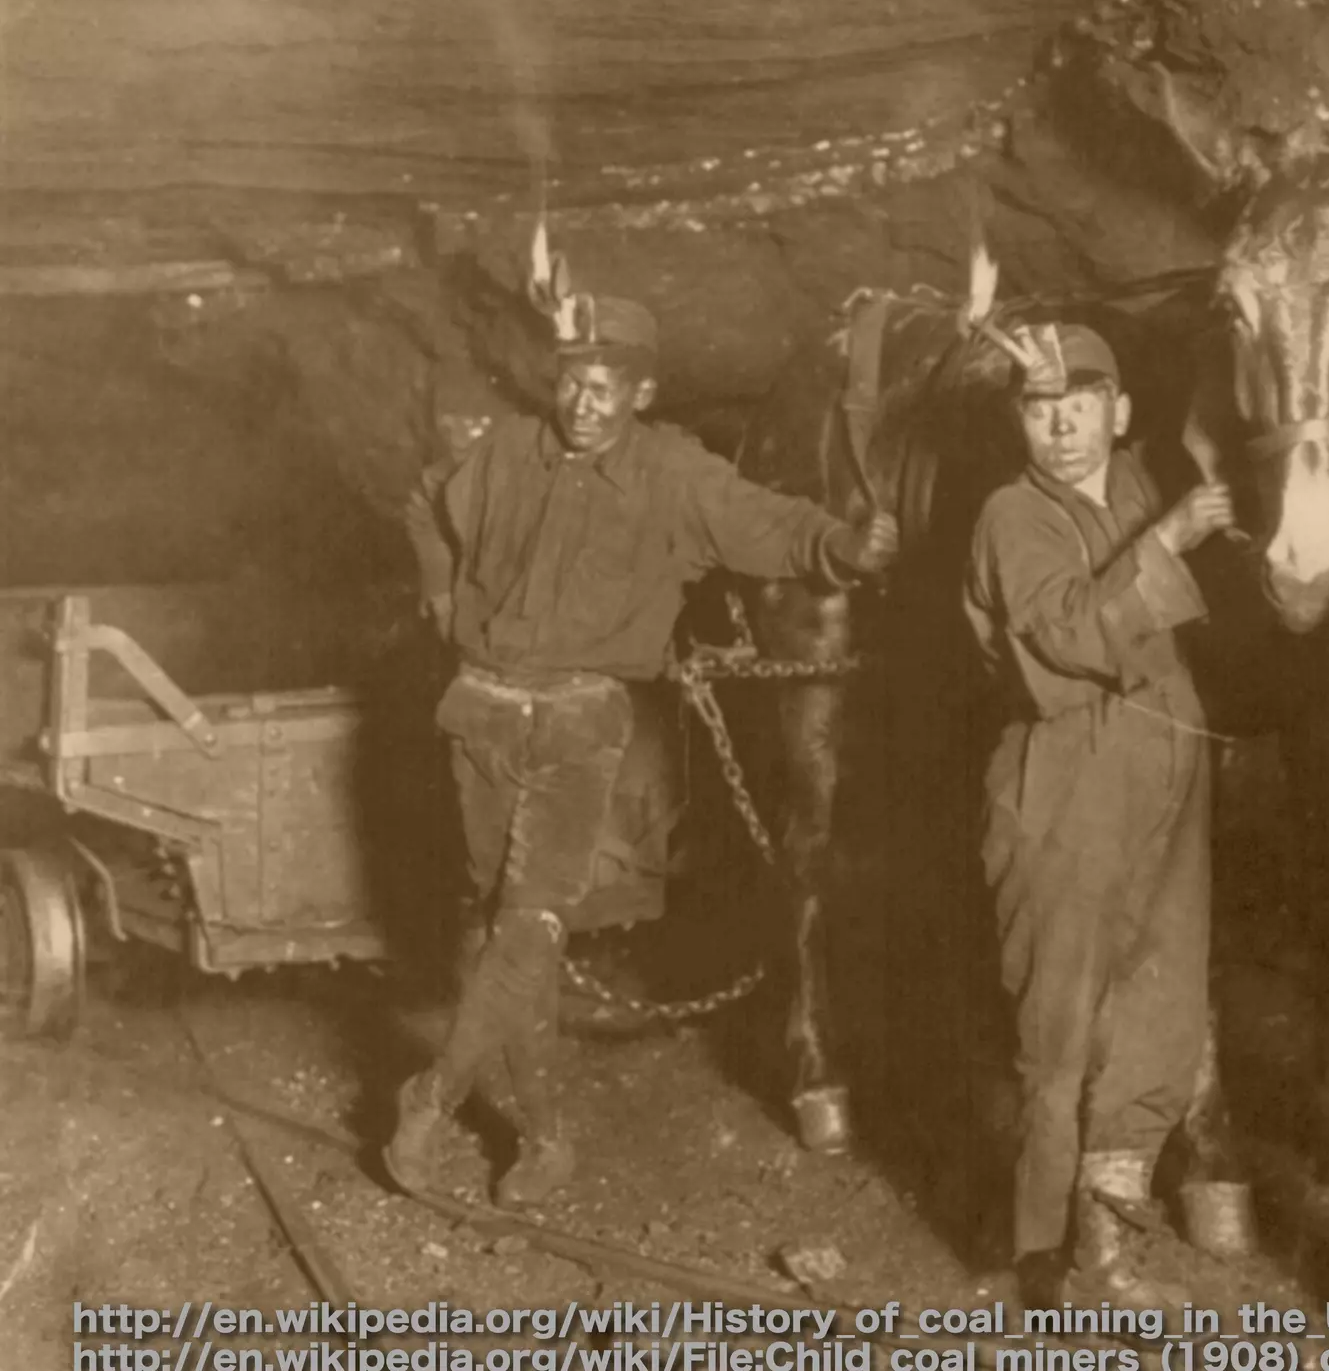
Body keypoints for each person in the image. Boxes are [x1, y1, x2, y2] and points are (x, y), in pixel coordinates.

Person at [387, 292, 898, 1206]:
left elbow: (770, 522)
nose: (584, 403)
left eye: (607, 388)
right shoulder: (506, 451)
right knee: (509, 935)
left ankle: (429, 1098)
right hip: (479, 713)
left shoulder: (675, 475)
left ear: (644, 391)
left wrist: (841, 548)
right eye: (574, 381)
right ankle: (544, 1139)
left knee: (530, 921)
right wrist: (440, 597)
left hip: (580, 722)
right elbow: (426, 498)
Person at [964, 322, 1235, 1308]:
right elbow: (1072, 631)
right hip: (1065, 779)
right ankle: (1041, 1261)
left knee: (1157, 1008)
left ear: (1119, 414)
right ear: (1017, 422)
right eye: (1038, 410)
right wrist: (1170, 539)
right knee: (1060, 1029)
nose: (1060, 426)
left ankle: (1104, 1257)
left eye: (1080, 406)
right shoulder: (1009, 516)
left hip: (1166, 757)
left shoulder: (1132, 482)